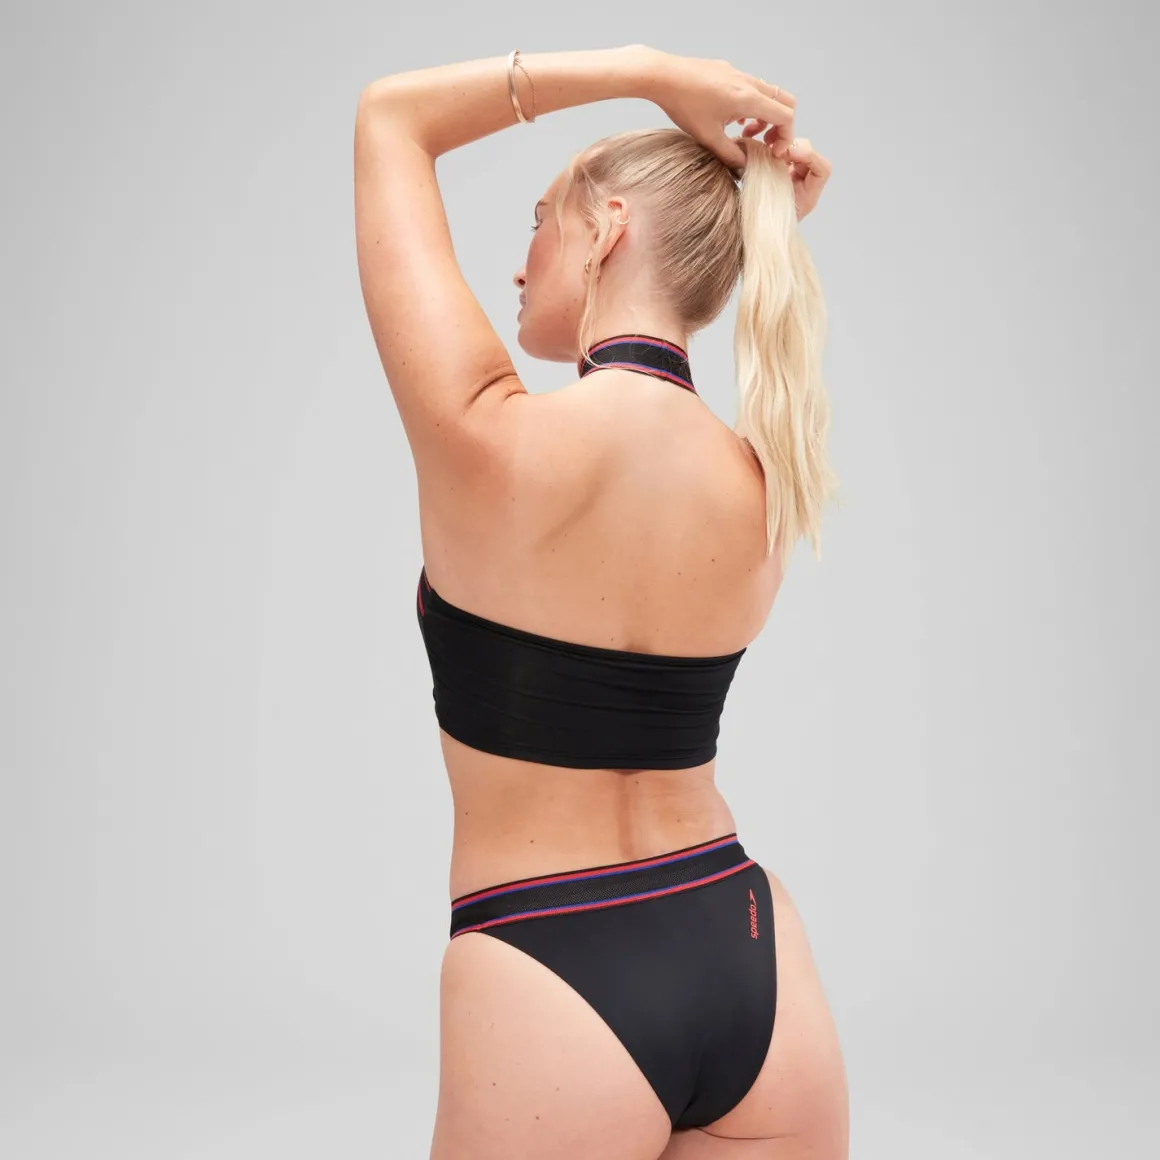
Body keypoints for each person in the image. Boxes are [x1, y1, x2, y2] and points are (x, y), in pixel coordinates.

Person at [353, 44, 848, 1160]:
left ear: (608, 227)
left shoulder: (487, 435)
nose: (519, 262)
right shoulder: (769, 481)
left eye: (541, 219)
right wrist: (753, 216)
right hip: (749, 951)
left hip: (550, 960)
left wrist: (648, 72)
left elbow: (391, 118)